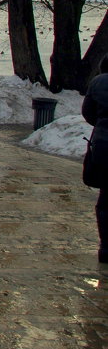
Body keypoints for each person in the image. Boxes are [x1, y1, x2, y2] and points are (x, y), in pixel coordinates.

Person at [82, 55, 108, 262]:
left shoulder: (97, 82)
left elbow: (88, 113)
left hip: (103, 145)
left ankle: (106, 247)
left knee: (106, 199)